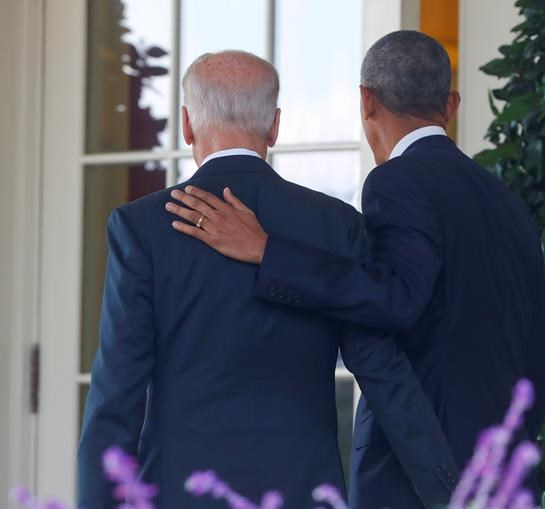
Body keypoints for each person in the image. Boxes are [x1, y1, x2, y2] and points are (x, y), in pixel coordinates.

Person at [168, 30, 545, 502]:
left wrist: (268, 251)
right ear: (451, 105)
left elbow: (395, 300)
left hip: (421, 473)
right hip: (508, 468)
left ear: (366, 101)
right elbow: (537, 347)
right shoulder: (505, 200)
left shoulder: (397, 181)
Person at [78, 50, 458, 509]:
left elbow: (116, 397)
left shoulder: (142, 228)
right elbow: (382, 372)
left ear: (187, 124)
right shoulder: (335, 224)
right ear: (275, 126)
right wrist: (451, 492)